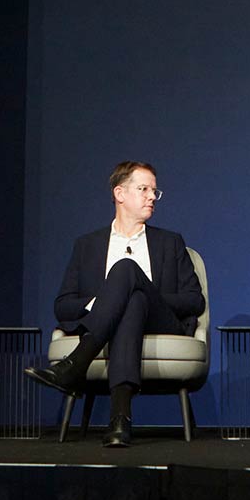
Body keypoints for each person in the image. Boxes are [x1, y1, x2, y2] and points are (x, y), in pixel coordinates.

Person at [27, 161, 204, 447]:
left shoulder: (170, 242)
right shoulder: (87, 246)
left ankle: (76, 363)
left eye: (154, 192)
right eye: (144, 189)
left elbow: (195, 299)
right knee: (130, 303)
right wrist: (108, 301)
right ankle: (120, 420)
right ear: (120, 193)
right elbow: (63, 306)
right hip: (115, 320)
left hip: (161, 318)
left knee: (126, 271)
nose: (151, 197)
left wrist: (149, 295)